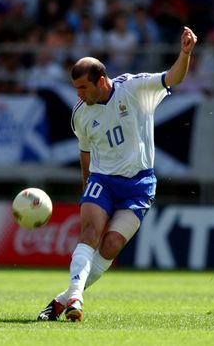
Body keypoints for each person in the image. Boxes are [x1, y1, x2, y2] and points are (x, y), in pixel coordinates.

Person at [38, 26, 197, 322]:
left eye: (84, 88)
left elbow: (174, 77)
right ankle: (76, 297)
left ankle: (62, 301)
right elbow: (85, 152)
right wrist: (88, 188)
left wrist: (185, 53)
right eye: (75, 89)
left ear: (102, 80)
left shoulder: (135, 89)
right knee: (89, 234)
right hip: (103, 182)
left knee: (110, 246)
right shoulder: (80, 114)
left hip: (139, 186)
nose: (80, 95)